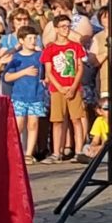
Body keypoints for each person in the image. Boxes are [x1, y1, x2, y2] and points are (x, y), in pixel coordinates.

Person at [43, 24, 89, 162]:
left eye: (68, 26)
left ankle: (79, 151)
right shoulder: (50, 49)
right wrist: (60, 87)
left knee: (76, 119)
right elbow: (49, 71)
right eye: (62, 27)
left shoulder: (75, 47)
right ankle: (57, 152)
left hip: (74, 87)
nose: (66, 29)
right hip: (57, 89)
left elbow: (80, 68)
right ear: (56, 29)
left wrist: (74, 86)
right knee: (57, 120)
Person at [3, 29, 48, 158]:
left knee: (33, 124)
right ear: (21, 41)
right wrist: (24, 72)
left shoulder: (40, 56)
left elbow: (46, 72)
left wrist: (46, 80)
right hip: (19, 96)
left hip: (36, 95)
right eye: (29, 38)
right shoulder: (16, 57)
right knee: (19, 125)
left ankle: (29, 153)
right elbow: (7, 77)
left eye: (35, 38)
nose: (33, 41)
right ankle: (15, 152)